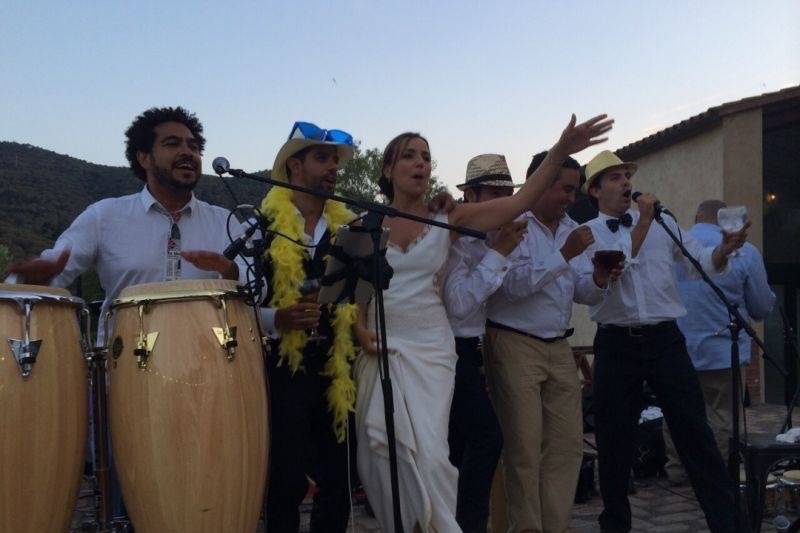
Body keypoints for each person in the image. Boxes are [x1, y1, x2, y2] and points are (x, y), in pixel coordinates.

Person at [353, 113, 614, 532]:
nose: (420, 163)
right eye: (409, 156)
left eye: (426, 157)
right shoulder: (364, 224)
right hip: (383, 347)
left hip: (433, 349)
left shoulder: (449, 218)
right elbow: (355, 294)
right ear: (388, 169)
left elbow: (521, 201)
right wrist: (359, 331)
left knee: (433, 457)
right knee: (385, 457)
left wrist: (561, 149)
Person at [578, 150, 749, 533]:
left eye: (627, 175)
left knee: (696, 434)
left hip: (666, 340)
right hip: (617, 343)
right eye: (614, 177)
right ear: (595, 189)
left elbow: (698, 261)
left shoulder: (664, 222)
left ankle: (728, 524)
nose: (625, 182)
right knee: (614, 443)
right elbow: (613, 271)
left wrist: (724, 249)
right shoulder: (589, 233)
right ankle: (616, 526)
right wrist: (641, 223)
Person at [6, 106, 243, 339]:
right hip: (124, 367)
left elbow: (259, 289)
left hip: (212, 364)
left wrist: (229, 270)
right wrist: (31, 280)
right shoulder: (103, 216)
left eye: (194, 146)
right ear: (144, 158)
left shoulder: (225, 221)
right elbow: (54, 269)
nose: (188, 152)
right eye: (172, 144)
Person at [483, 151, 619, 533]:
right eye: (563, 189)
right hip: (513, 342)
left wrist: (599, 278)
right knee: (523, 450)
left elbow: (580, 293)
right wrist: (565, 254)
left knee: (565, 448)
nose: (569, 198)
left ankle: (555, 527)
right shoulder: (511, 225)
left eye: (574, 190)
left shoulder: (569, 228)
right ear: (539, 184)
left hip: (560, 347)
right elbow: (510, 287)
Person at [256, 121, 359, 533]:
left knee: (340, 479)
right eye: (322, 158)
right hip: (283, 368)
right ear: (295, 167)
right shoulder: (261, 226)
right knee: (285, 479)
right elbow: (240, 303)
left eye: (335, 159)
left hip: (337, 367)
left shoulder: (350, 231)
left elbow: (361, 298)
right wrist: (276, 318)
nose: (333, 167)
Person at [663, 199, 775, 485]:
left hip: (674, 347)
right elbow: (761, 307)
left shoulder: (673, 248)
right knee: (722, 414)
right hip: (722, 348)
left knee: (677, 411)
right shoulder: (746, 252)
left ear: (697, 217)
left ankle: (678, 470)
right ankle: (716, 472)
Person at [442, 154, 524, 532]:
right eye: (494, 193)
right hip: (450, 351)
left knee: (461, 447)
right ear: (471, 196)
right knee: (486, 438)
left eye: (507, 194)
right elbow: (457, 305)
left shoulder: (492, 236)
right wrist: (500, 254)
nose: (502, 202)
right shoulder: (455, 239)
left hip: (477, 349)